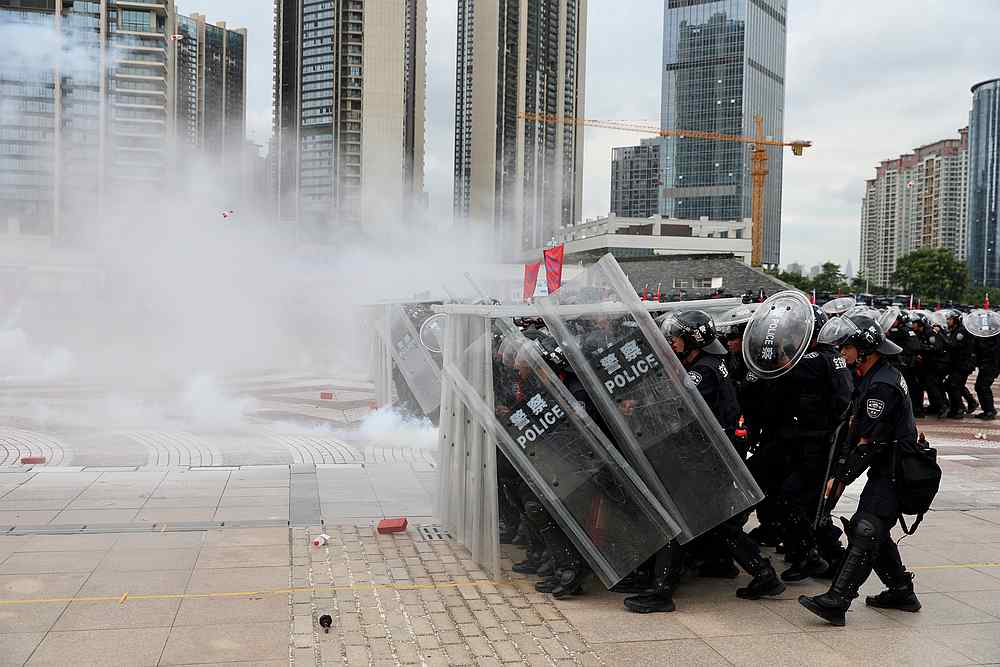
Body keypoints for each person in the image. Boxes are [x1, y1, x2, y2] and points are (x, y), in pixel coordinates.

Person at [624, 311, 785, 614]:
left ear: (693, 341)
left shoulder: (703, 372)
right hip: (710, 459)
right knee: (721, 524)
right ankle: (762, 574)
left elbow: (676, 407)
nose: (671, 343)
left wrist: (640, 406)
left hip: (702, 461)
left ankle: (661, 592)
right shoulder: (710, 364)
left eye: (676, 339)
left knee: (675, 519)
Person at [799, 314, 922, 626]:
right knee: (873, 529)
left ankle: (838, 600)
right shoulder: (877, 375)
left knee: (865, 527)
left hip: (895, 470)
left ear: (866, 350)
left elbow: (867, 443)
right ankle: (901, 590)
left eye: (848, 346)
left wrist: (839, 480)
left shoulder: (881, 385)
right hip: (890, 467)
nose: (843, 351)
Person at [943, 310, 976, 419]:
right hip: (956, 364)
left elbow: (953, 345)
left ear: (956, 320)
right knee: (952, 385)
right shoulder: (954, 330)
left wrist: (941, 336)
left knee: (954, 385)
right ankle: (968, 404)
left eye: (950, 319)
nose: (948, 321)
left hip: (963, 364)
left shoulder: (961, 331)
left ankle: (960, 408)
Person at [973, 328, 1000, 420]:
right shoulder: (988, 335)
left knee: (983, 386)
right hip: (986, 364)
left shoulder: (996, 336)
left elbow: (991, 351)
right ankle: (987, 410)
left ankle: (990, 410)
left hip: (991, 365)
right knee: (980, 386)